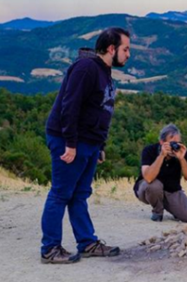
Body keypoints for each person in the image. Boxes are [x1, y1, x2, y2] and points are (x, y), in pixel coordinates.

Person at [41, 27, 131, 264]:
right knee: (61, 194)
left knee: (80, 194)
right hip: (69, 139)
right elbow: (69, 106)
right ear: (111, 49)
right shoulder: (86, 68)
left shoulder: (104, 72)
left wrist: (100, 145)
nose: (128, 54)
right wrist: (70, 143)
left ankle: (87, 243)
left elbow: (101, 111)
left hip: (89, 142)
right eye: (125, 49)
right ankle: (50, 249)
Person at [133, 124, 187, 223]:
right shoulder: (149, 150)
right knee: (154, 186)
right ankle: (158, 212)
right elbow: (148, 178)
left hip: (171, 190)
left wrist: (182, 159)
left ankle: (173, 209)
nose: (174, 147)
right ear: (162, 142)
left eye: (177, 143)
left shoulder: (181, 152)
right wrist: (162, 156)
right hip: (147, 189)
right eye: (172, 143)